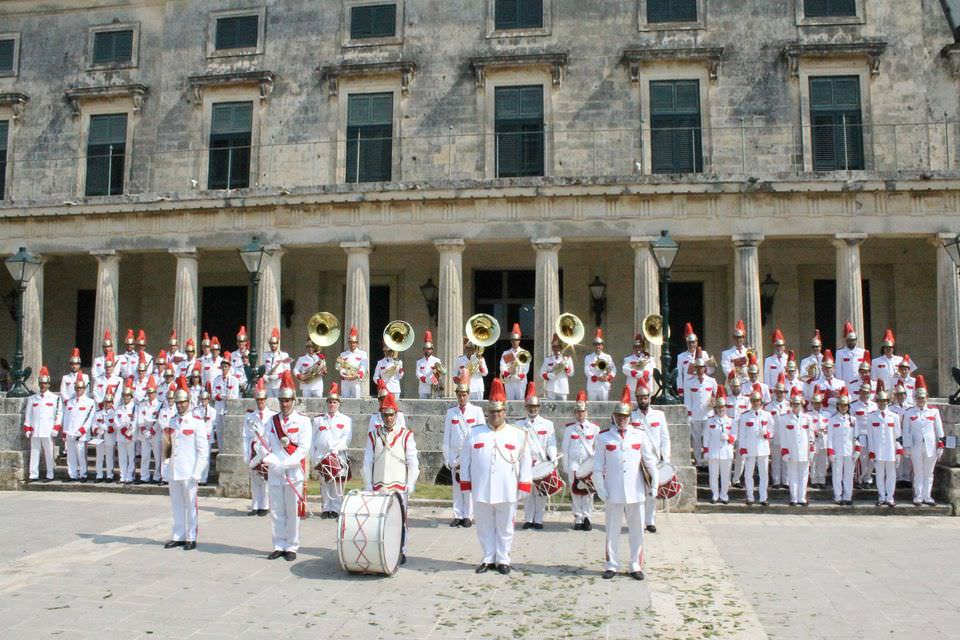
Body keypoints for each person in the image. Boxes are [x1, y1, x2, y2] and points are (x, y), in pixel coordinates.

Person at [459, 378, 532, 575]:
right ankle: (488, 557)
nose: (495, 415)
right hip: (482, 487)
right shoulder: (475, 433)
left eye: (499, 411)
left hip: (507, 487)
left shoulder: (517, 434)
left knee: (505, 525)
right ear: (487, 413)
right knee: (483, 525)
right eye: (492, 412)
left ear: (505, 412)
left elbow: (525, 460)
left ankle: (503, 559)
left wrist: (524, 484)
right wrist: (465, 484)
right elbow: (465, 460)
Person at [594, 386, 659, 581]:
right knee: (612, 530)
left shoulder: (639, 435)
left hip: (636, 490)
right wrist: (600, 487)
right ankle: (611, 564)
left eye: (625, 416)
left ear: (630, 417)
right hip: (613, 490)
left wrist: (654, 485)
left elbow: (650, 462)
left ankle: (635, 564)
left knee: (637, 530)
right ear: (614, 417)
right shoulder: (604, 437)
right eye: (619, 416)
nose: (622, 420)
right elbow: (597, 465)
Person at [258, 371, 311, 560]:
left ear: (293, 401)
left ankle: (292, 546)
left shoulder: (303, 421)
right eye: (282, 400)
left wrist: (286, 464)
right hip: (275, 472)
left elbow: (303, 448)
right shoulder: (272, 421)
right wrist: (269, 458)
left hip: (292, 472)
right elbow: (262, 443)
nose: (284, 404)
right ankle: (279, 544)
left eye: (288, 400)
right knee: (276, 511)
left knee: (291, 510)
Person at [363, 390, 419, 565]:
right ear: (381, 415)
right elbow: (367, 463)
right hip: (379, 485)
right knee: (379, 522)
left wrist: (410, 484)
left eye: (391, 415)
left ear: (396, 414)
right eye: (386, 415)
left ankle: (401, 550)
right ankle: (381, 550)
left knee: (400, 521)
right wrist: (368, 486)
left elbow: (413, 462)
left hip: (398, 485)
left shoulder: (406, 435)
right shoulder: (373, 436)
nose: (389, 418)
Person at [162, 376, 209, 551]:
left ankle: (191, 536)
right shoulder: (171, 421)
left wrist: (197, 472)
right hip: (175, 469)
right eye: (177, 402)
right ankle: (178, 535)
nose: (180, 405)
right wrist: (165, 468)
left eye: (183, 402)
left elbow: (203, 451)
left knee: (190, 505)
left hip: (189, 471)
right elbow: (167, 446)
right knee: (176, 504)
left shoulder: (197, 423)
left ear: (189, 402)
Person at [442, 376, 483, 527]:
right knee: (457, 486)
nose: (462, 397)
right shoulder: (451, 412)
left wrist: (479, 455)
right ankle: (458, 514)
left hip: (471, 454)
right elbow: (447, 436)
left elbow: (481, 434)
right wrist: (447, 456)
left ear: (469, 395)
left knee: (469, 486)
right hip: (455, 454)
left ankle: (468, 515)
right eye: (459, 394)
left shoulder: (476, 411)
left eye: (464, 394)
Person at [631, 378, 670, 532]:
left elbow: (665, 438)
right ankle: (638, 521)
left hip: (653, 457)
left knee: (652, 489)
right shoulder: (632, 416)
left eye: (645, 397)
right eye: (640, 398)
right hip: (636, 458)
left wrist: (666, 458)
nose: (643, 400)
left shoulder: (659, 415)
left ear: (649, 398)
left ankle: (650, 520)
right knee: (638, 490)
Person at [311, 383, 352, 518]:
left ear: (338, 404)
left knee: (337, 483)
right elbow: (313, 438)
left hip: (338, 455)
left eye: (334, 402)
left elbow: (347, 438)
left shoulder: (346, 420)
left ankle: (336, 508)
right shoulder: (318, 420)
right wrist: (313, 457)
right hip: (322, 455)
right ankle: (326, 508)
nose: (332, 405)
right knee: (324, 483)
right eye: (329, 402)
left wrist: (337, 448)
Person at [518, 383, 556, 530]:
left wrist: (552, 458)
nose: (532, 409)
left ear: (539, 407)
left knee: (541, 492)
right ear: (526, 408)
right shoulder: (519, 424)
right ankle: (528, 519)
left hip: (541, 463)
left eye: (535, 407)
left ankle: (538, 519)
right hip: (526, 463)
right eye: (530, 407)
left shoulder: (547, 424)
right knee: (527, 492)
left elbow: (551, 443)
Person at [561, 390, 599, 531]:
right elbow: (565, 449)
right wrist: (565, 466)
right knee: (575, 491)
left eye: (582, 412)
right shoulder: (570, 429)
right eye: (577, 412)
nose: (580, 414)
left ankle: (587, 517)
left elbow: (597, 448)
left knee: (589, 491)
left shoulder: (594, 428)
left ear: (586, 412)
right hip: (574, 464)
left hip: (588, 465)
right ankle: (578, 517)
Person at [905, 375, 944, 506]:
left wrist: (941, 444)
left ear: (926, 398)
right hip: (915, 446)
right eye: (918, 397)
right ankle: (918, 495)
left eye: (922, 397)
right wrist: (907, 447)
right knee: (918, 471)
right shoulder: (909, 413)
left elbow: (939, 429)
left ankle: (927, 496)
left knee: (929, 472)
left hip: (930, 446)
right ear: (915, 398)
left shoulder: (933, 412)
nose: (920, 400)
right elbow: (906, 431)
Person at [865, 383, 903, 507]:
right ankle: (881, 496)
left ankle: (890, 497)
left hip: (891, 450)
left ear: (887, 401)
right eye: (880, 401)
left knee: (891, 474)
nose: (882, 403)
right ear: (877, 402)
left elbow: (898, 436)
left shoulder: (894, 417)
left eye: (884, 401)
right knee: (880, 474)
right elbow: (870, 436)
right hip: (878, 450)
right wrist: (871, 451)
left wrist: (898, 451)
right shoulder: (871, 416)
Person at [23, 366, 62, 482]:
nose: (43, 386)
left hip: (48, 430)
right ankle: (33, 474)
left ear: (49, 384)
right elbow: (28, 414)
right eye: (41, 383)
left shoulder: (55, 398)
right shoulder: (32, 398)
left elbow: (59, 414)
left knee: (49, 453)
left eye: (45, 383)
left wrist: (56, 427)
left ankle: (50, 474)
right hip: (36, 429)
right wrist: (27, 427)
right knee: (34, 452)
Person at [736, 384, 773, 506]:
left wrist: (767, 434)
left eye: (758, 401)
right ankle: (750, 496)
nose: (756, 403)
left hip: (763, 448)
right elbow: (742, 434)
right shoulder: (745, 416)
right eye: (753, 401)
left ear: (761, 402)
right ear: (751, 402)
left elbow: (772, 430)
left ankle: (763, 497)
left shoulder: (767, 415)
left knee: (764, 474)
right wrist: (742, 448)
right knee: (748, 474)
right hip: (750, 448)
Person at [242, 378, 273, 517]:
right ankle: (255, 505)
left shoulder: (272, 415)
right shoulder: (250, 416)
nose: (260, 402)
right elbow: (245, 436)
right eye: (258, 400)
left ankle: (265, 506)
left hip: (266, 450)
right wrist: (246, 453)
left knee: (265, 478)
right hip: (254, 449)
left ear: (266, 400)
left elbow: (273, 435)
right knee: (254, 478)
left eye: (262, 400)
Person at [779, 388, 813, 506]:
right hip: (792, 451)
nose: (795, 406)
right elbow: (783, 436)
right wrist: (785, 451)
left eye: (797, 404)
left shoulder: (807, 418)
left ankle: (802, 498)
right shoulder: (785, 419)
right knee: (792, 475)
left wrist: (812, 450)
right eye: (793, 404)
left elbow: (811, 435)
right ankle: (793, 498)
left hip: (804, 451)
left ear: (801, 404)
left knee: (804, 476)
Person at [682, 352, 716, 469]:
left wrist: (714, 403)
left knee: (707, 437)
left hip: (708, 414)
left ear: (705, 368)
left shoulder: (711, 381)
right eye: (698, 368)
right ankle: (698, 460)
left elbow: (716, 395)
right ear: (695, 368)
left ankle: (707, 459)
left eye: (702, 367)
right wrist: (689, 414)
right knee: (696, 439)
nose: (700, 370)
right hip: (696, 414)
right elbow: (687, 399)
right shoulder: (689, 382)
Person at [703, 387, 735, 504]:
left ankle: (724, 494)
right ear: (715, 408)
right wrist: (706, 450)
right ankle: (715, 494)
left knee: (726, 475)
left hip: (726, 451)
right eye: (719, 407)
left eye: (723, 407)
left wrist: (729, 438)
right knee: (713, 475)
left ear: (726, 408)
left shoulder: (731, 421)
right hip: (714, 451)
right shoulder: (710, 421)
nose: (721, 409)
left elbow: (735, 436)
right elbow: (706, 436)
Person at [61, 373, 95, 482]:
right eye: (77, 388)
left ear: (84, 389)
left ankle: (83, 474)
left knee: (81, 455)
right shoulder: (70, 402)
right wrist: (64, 431)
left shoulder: (90, 402)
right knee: (71, 456)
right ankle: (72, 474)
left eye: (81, 388)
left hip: (81, 434)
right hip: (70, 432)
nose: (79, 390)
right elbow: (66, 417)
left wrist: (82, 431)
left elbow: (90, 419)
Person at [827, 389, 858, 505]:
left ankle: (848, 496)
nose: (843, 407)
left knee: (849, 475)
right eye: (841, 405)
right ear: (838, 406)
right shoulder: (832, 419)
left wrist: (857, 450)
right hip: (837, 450)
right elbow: (829, 437)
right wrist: (830, 452)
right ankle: (838, 496)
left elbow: (857, 436)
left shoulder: (853, 420)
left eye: (845, 405)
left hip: (850, 451)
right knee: (837, 474)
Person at [850, 378, 877, 489]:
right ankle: (859, 479)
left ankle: (868, 478)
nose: (866, 394)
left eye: (868, 392)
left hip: (872, 435)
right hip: (860, 435)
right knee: (861, 458)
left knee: (871, 458)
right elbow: (851, 422)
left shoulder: (874, 406)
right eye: (864, 392)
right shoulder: (854, 406)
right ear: (860, 392)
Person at [136, 376, 163, 484]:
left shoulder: (160, 405)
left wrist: (152, 431)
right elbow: (139, 418)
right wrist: (144, 430)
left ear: (155, 393)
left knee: (157, 456)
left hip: (155, 433)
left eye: (152, 393)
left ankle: (157, 476)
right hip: (144, 432)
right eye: (148, 393)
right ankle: (144, 476)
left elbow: (160, 419)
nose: (150, 395)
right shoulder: (143, 404)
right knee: (145, 456)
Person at [212, 355, 241, 451]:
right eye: (223, 366)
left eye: (226, 366)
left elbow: (235, 396)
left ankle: (228, 450)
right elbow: (213, 395)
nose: (224, 368)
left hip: (229, 410)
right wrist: (221, 396)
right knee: (219, 432)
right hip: (219, 409)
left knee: (229, 432)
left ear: (229, 367)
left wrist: (227, 397)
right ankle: (221, 451)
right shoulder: (217, 379)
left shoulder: (234, 380)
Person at [766, 374, 790, 489]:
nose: (780, 394)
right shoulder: (769, 407)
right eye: (778, 392)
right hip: (775, 436)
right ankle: (776, 481)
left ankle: (785, 481)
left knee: (786, 460)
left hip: (787, 437)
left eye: (782, 392)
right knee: (775, 460)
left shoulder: (789, 405)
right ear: (775, 392)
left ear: (785, 393)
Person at [499, 323, 530, 402]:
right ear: (510, 341)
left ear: (519, 341)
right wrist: (508, 373)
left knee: (520, 401)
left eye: (516, 340)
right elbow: (502, 366)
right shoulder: (506, 353)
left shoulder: (524, 352)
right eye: (513, 340)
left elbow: (526, 367)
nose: (515, 342)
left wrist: (520, 375)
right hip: (509, 381)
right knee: (509, 401)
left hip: (520, 381)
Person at [807, 389, 831, 489]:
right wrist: (814, 432)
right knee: (814, 460)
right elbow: (808, 427)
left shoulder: (827, 414)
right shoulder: (808, 415)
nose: (817, 405)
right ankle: (814, 479)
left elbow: (830, 427)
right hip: (814, 441)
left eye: (819, 403)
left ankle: (822, 479)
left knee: (824, 461)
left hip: (824, 440)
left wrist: (826, 430)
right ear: (812, 403)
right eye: (815, 403)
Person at [622, 333, 656, 403]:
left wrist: (646, 373)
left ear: (642, 348)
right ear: (633, 348)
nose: (638, 349)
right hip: (633, 387)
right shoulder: (628, 359)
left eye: (640, 347)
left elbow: (653, 369)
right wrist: (634, 373)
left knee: (646, 405)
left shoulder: (649, 359)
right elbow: (624, 369)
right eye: (636, 347)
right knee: (633, 405)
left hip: (646, 385)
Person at [336, 326, 368, 399]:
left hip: (356, 380)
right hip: (345, 380)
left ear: (357, 343)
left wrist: (356, 375)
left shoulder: (363, 353)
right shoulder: (343, 354)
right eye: (350, 342)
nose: (352, 344)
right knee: (344, 398)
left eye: (354, 343)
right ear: (348, 343)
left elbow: (364, 366)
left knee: (356, 398)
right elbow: (339, 366)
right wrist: (344, 373)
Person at [115, 381, 138, 484]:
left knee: (131, 456)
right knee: (122, 457)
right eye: (124, 395)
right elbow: (115, 420)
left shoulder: (134, 407)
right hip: (120, 435)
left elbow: (135, 421)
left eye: (128, 395)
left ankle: (130, 476)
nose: (126, 397)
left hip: (130, 436)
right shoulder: (119, 407)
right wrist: (121, 428)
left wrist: (129, 432)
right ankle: (122, 476)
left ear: (131, 396)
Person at [675, 323, 705, 401]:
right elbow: (679, 374)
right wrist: (680, 389)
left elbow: (711, 370)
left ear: (697, 342)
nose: (691, 344)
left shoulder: (704, 354)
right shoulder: (681, 356)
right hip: (688, 386)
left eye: (693, 342)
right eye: (689, 342)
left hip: (701, 384)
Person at [93, 387, 117, 482]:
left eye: (109, 402)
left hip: (109, 437)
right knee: (99, 456)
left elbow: (115, 425)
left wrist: (106, 428)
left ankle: (109, 475)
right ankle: (99, 475)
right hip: (99, 437)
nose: (107, 404)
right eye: (106, 402)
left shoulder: (114, 413)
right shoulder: (98, 413)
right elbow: (93, 424)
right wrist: (96, 429)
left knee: (109, 457)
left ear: (112, 403)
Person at [540, 334, 575, 401]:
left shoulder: (567, 359)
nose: (556, 349)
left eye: (558, 346)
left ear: (561, 347)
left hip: (562, 387)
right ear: (552, 348)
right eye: (554, 347)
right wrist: (548, 375)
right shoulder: (547, 359)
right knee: (550, 407)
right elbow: (541, 373)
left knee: (563, 408)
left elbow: (572, 373)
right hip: (551, 387)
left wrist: (566, 368)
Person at [584, 328, 615, 401]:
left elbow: (613, 369)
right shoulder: (588, 357)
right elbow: (587, 370)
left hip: (604, 385)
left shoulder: (607, 357)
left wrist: (608, 377)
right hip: (593, 385)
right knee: (591, 407)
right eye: (596, 345)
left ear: (602, 346)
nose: (598, 346)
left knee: (604, 406)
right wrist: (596, 378)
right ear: (594, 346)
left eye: (599, 345)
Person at [262, 327, 291, 398]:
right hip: (268, 384)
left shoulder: (284, 355)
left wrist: (277, 376)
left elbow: (287, 371)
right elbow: (263, 368)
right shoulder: (265, 355)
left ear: (278, 344)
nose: (273, 345)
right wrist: (263, 376)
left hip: (279, 384)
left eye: (275, 343)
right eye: (271, 343)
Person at [836, 321, 865, 387]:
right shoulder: (840, 353)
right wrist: (840, 385)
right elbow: (839, 371)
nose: (851, 342)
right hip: (846, 384)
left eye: (853, 340)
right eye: (849, 340)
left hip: (859, 383)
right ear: (846, 340)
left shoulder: (862, 352)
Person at [414, 331, 442, 399]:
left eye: (429, 349)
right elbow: (418, 372)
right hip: (423, 386)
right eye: (426, 349)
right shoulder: (419, 361)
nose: (427, 351)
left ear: (432, 350)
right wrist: (423, 378)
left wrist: (432, 379)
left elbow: (439, 372)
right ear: (423, 350)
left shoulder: (437, 360)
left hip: (434, 386)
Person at [800, 330, 824, 400]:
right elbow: (802, 376)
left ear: (821, 346)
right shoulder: (805, 361)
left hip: (823, 388)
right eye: (813, 347)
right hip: (810, 389)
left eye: (817, 346)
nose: (815, 348)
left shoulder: (825, 360)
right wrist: (812, 381)